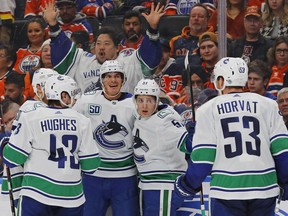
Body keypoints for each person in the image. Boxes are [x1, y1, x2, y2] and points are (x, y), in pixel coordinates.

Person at [174, 57, 288, 215]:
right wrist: (285, 182)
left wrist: (188, 184)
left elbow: (203, 159)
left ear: (221, 80)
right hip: (265, 188)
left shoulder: (208, 109)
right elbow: (282, 151)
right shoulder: (268, 104)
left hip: (226, 190)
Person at [2, 74, 101, 216]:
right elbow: (91, 166)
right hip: (71, 197)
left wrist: (6, 145)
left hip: (36, 195)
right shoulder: (82, 120)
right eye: (73, 94)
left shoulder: (31, 116)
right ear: (64, 96)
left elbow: (13, 159)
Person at [43, 0, 164, 94]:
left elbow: (150, 59)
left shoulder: (130, 61)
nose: (101, 47)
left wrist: (152, 29)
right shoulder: (82, 60)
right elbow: (63, 53)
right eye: (98, 43)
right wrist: (53, 25)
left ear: (117, 48)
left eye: (106, 44)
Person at [72, 60, 139, 216]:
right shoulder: (86, 101)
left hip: (125, 177)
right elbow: (70, 120)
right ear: (102, 80)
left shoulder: (134, 103)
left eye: (117, 76)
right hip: (93, 176)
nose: (113, 80)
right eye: (108, 76)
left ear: (124, 79)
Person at [132, 78, 193, 215]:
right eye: (141, 100)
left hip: (163, 184)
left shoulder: (165, 119)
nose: (145, 105)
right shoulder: (140, 117)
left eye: (149, 100)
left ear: (156, 101)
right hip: (147, 183)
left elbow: (187, 145)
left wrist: (193, 135)